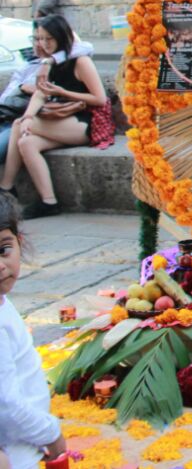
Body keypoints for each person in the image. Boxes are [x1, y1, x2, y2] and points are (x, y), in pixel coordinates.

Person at [0, 17, 109, 218]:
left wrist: (63, 92)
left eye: (48, 39)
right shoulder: (49, 63)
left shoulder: (81, 61)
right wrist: (30, 116)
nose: (43, 44)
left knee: (18, 125)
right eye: (40, 39)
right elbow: (40, 94)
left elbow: (100, 99)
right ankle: (49, 202)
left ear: (61, 37)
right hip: (61, 122)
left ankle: (5, 189)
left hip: (86, 123)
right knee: (27, 143)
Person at [0, 192, 66, 468]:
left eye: (4, 250)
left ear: (20, 242)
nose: (1, 267)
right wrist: (51, 435)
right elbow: (7, 405)